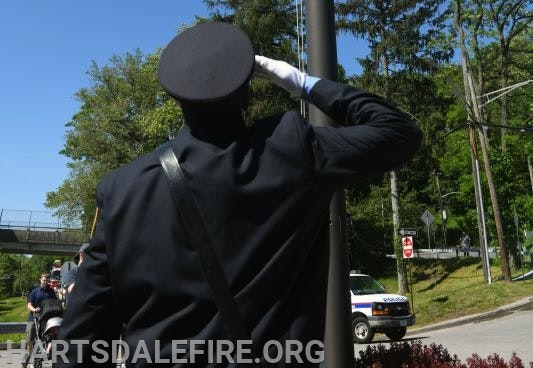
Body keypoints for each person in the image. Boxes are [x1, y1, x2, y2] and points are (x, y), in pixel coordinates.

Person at [59, 21, 422, 367]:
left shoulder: (122, 190)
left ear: (176, 101)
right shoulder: (291, 152)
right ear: (248, 95)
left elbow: (82, 338)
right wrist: (302, 82)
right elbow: (398, 132)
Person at [23, 272, 57, 368]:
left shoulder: (51, 292)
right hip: (33, 317)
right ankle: (30, 357)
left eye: (47, 280)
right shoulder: (34, 291)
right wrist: (34, 309)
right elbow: (29, 304)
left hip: (45, 319)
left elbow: (55, 303)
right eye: (44, 280)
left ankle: (45, 355)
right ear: (40, 280)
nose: (45, 282)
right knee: (30, 338)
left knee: (46, 338)